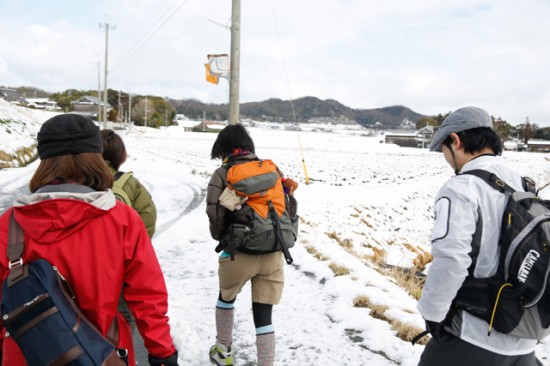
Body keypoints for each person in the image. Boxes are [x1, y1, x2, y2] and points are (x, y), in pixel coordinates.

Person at [0, 114, 178, 366]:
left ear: (44, 160)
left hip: (25, 356)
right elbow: (148, 296)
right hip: (104, 353)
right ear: (95, 157)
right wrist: (163, 353)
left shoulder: (9, 223)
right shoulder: (122, 220)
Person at [417, 107, 542, 366]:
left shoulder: (461, 187)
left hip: (474, 336)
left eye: (443, 149)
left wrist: (433, 315)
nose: (446, 159)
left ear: (455, 140)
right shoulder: (521, 183)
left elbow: (451, 259)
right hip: (524, 334)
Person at [206, 124, 296, 366]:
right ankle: (265, 363)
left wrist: (223, 238)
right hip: (274, 252)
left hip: (238, 252)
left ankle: (223, 351)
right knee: (264, 315)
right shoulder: (272, 169)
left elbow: (215, 215)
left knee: (226, 298)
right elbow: (287, 206)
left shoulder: (223, 173)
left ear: (223, 148)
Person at [100, 129, 157, 239]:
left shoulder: (77, 180)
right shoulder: (130, 184)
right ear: (120, 155)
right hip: (120, 252)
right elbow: (148, 219)